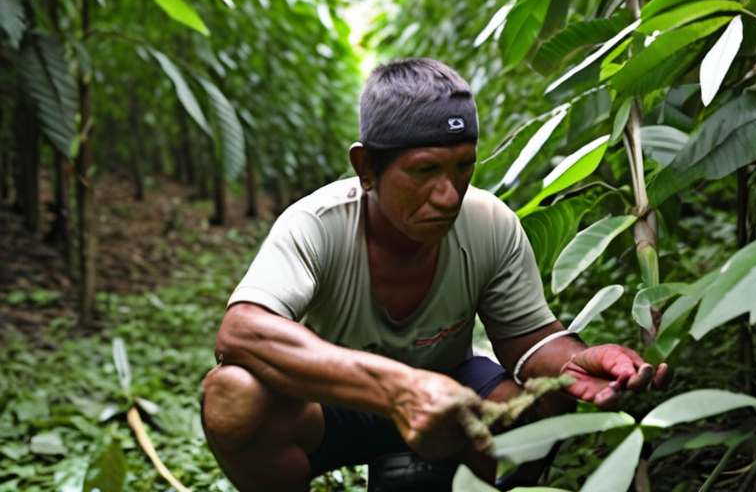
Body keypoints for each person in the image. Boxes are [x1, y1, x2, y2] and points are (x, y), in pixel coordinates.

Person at [200, 58, 668, 492]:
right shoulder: (317, 224)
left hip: (456, 394)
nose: (448, 195)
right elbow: (242, 333)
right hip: (339, 397)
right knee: (232, 396)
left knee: (545, 405)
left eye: (463, 166)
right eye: (425, 170)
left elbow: (526, 339)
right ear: (366, 168)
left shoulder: (489, 222)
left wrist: (574, 362)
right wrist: (400, 388)